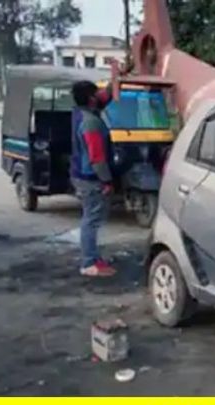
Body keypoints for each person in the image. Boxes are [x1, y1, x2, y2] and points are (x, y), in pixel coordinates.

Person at [71, 80, 116, 277]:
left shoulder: (83, 113)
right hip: (91, 178)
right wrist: (106, 180)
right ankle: (89, 263)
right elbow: (96, 156)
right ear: (91, 99)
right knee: (91, 220)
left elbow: (105, 98)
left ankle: (93, 257)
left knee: (92, 218)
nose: (101, 95)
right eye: (97, 92)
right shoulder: (91, 122)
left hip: (84, 175)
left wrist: (117, 80)